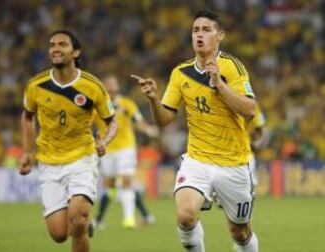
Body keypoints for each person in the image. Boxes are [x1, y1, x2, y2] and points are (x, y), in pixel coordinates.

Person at [131, 9, 259, 252]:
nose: (199, 35)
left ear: (220, 36)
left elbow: (250, 110)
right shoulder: (180, 73)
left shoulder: (232, 67)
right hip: (197, 159)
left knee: (240, 232)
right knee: (186, 216)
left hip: (233, 163)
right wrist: (153, 100)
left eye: (206, 30)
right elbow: (163, 120)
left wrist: (219, 84)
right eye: (195, 30)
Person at [19, 30, 117, 252]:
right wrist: (27, 151)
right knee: (59, 234)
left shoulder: (93, 86)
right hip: (48, 162)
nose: (55, 48)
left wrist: (105, 141)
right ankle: (83, 222)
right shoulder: (36, 85)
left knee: (77, 220)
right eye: (52, 44)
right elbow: (27, 116)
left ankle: (82, 219)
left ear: (76, 52)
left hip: (82, 159)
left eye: (62, 44)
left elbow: (112, 121)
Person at [92, 75, 158, 229]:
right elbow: (87, 122)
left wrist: (147, 129)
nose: (110, 86)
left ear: (117, 86)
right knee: (109, 185)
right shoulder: (98, 106)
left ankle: (128, 219)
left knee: (126, 180)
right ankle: (99, 220)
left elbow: (138, 120)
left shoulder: (127, 103)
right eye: (107, 83)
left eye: (113, 83)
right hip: (107, 149)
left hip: (126, 148)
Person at [246, 104, 267, 190]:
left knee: (251, 184)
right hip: (225, 152)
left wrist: (258, 143)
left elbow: (262, 129)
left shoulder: (253, 106)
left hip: (246, 153)